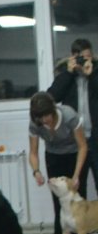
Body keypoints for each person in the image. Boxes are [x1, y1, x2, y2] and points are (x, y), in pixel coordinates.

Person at [28, 91, 88, 234]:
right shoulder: (35, 124)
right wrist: (36, 171)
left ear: (53, 110)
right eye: (40, 117)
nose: (44, 120)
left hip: (74, 155)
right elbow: (33, 152)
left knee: (77, 202)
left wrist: (76, 175)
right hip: (53, 157)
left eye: (47, 115)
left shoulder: (69, 116)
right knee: (59, 205)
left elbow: (83, 146)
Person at [47, 38, 98, 194]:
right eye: (81, 58)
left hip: (95, 139)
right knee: (77, 188)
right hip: (74, 142)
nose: (85, 61)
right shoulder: (66, 76)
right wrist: (68, 73)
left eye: (88, 57)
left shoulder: (96, 73)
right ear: (73, 57)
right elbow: (52, 97)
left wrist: (92, 75)